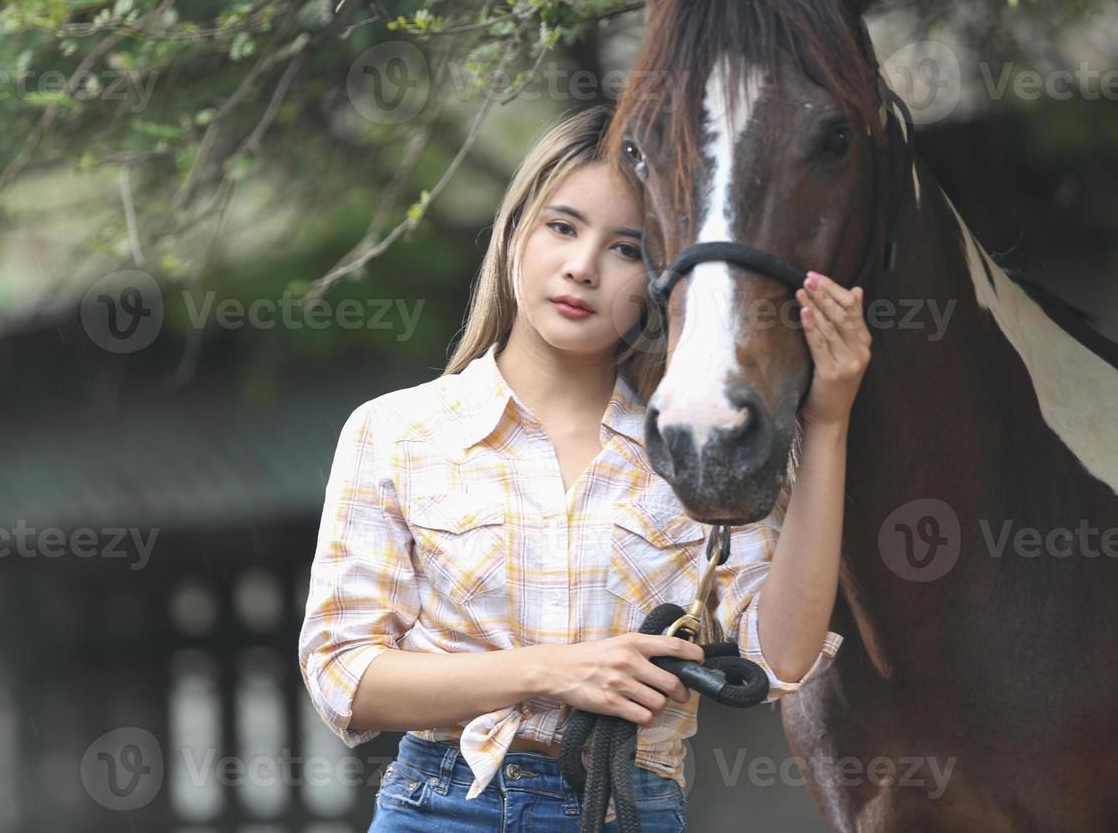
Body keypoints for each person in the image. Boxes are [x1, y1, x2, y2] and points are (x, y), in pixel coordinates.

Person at [296, 102, 870, 831]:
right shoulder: (397, 432)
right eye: (562, 228)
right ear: (513, 234)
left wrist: (826, 425)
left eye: (627, 248)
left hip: (627, 807)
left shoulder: (694, 448)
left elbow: (779, 660)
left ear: (662, 278)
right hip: (439, 807)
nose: (582, 268)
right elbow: (344, 674)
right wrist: (556, 670)